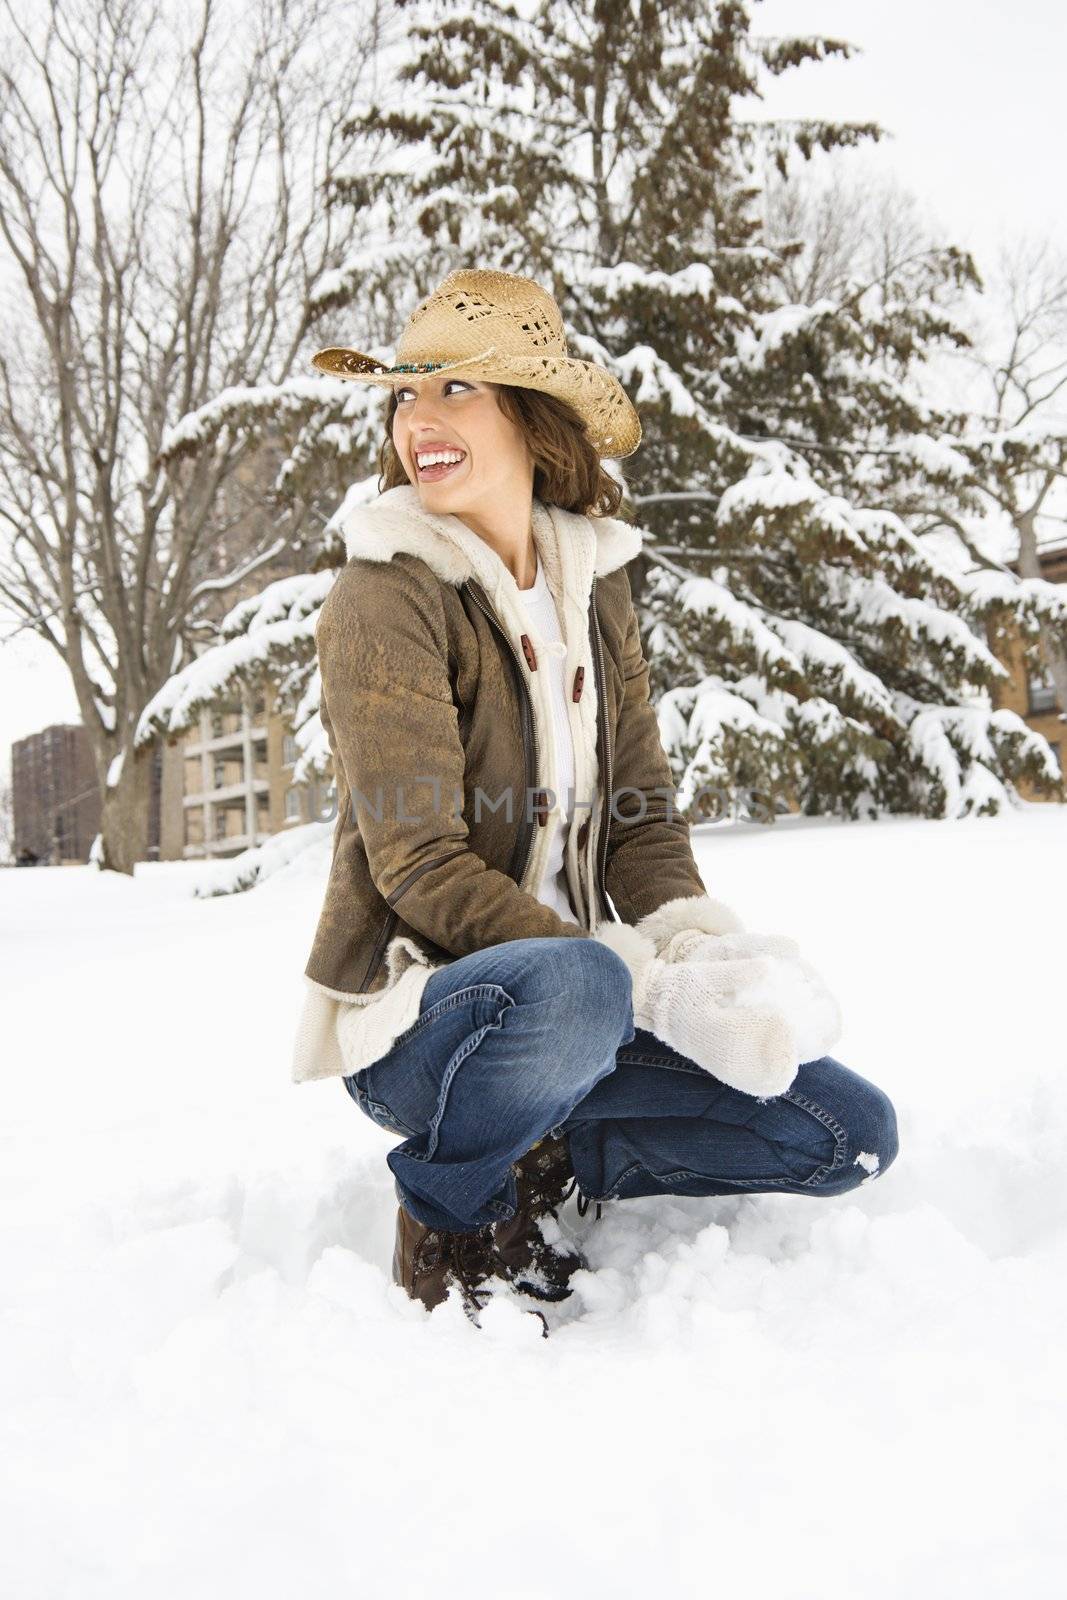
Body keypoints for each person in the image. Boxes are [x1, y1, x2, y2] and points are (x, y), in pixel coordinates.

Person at [292, 267, 899, 1329]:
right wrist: (621, 981)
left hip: (583, 1007)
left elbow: (640, 815)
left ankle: (556, 1156)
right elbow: (418, 866)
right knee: (574, 985)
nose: (415, 420)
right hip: (434, 1027)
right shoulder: (383, 593)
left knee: (840, 1129)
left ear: (533, 418)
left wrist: (691, 953)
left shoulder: (593, 579)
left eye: (451, 391)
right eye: (403, 394)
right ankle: (449, 1207)